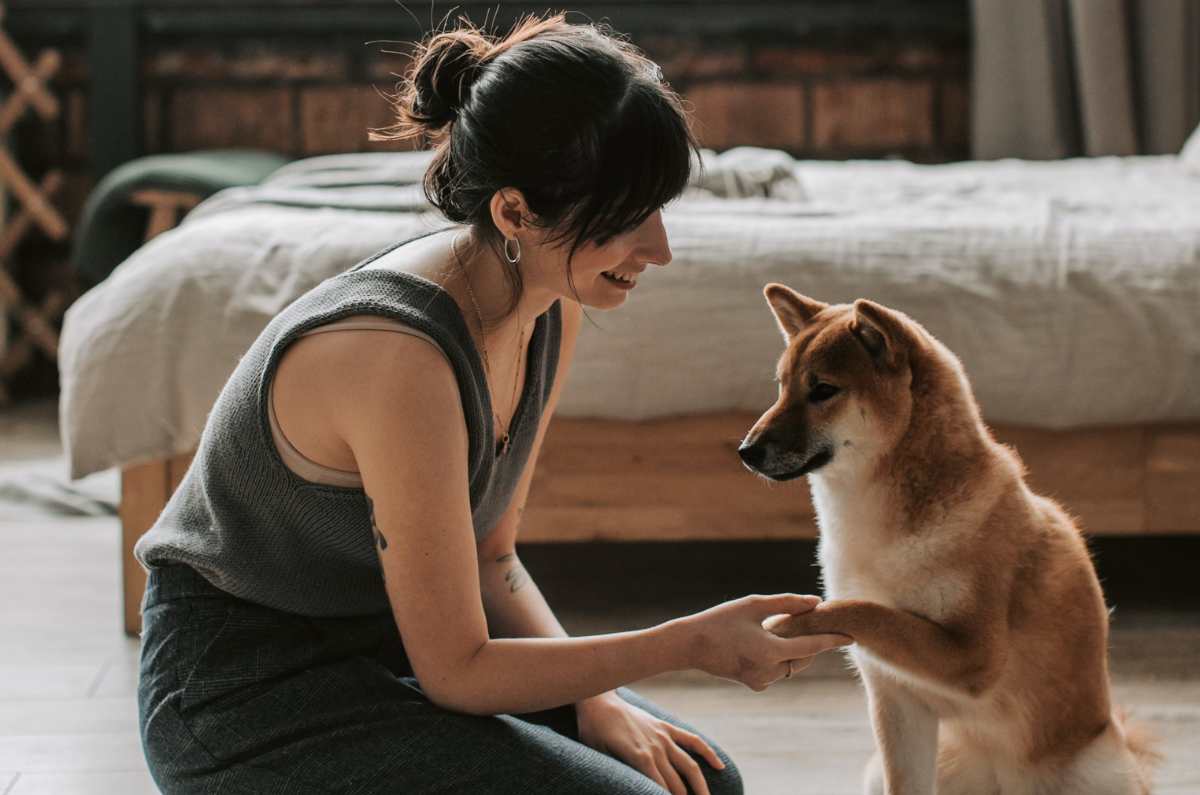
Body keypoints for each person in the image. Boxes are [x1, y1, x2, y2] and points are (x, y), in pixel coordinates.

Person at [135, 14, 850, 795]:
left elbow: (490, 556)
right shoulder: (399, 356)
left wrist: (595, 699)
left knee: (708, 782)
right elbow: (459, 670)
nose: (659, 249)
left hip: (386, 649)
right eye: (622, 219)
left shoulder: (548, 298)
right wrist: (685, 642)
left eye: (659, 207)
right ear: (513, 214)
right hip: (238, 693)